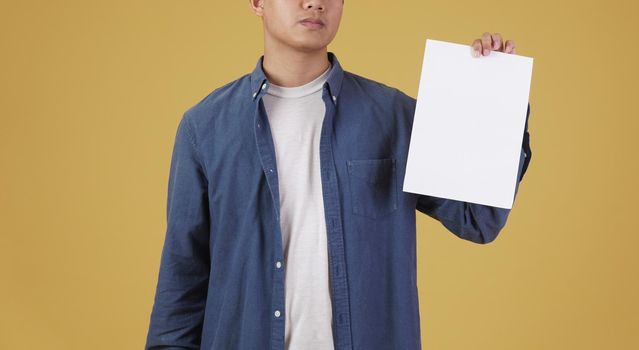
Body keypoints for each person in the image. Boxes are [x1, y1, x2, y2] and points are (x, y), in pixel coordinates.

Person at [145, 0, 532, 349]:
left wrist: (497, 99)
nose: (315, 2)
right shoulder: (206, 128)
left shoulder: (395, 119)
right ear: (258, 3)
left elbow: (478, 219)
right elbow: (182, 288)